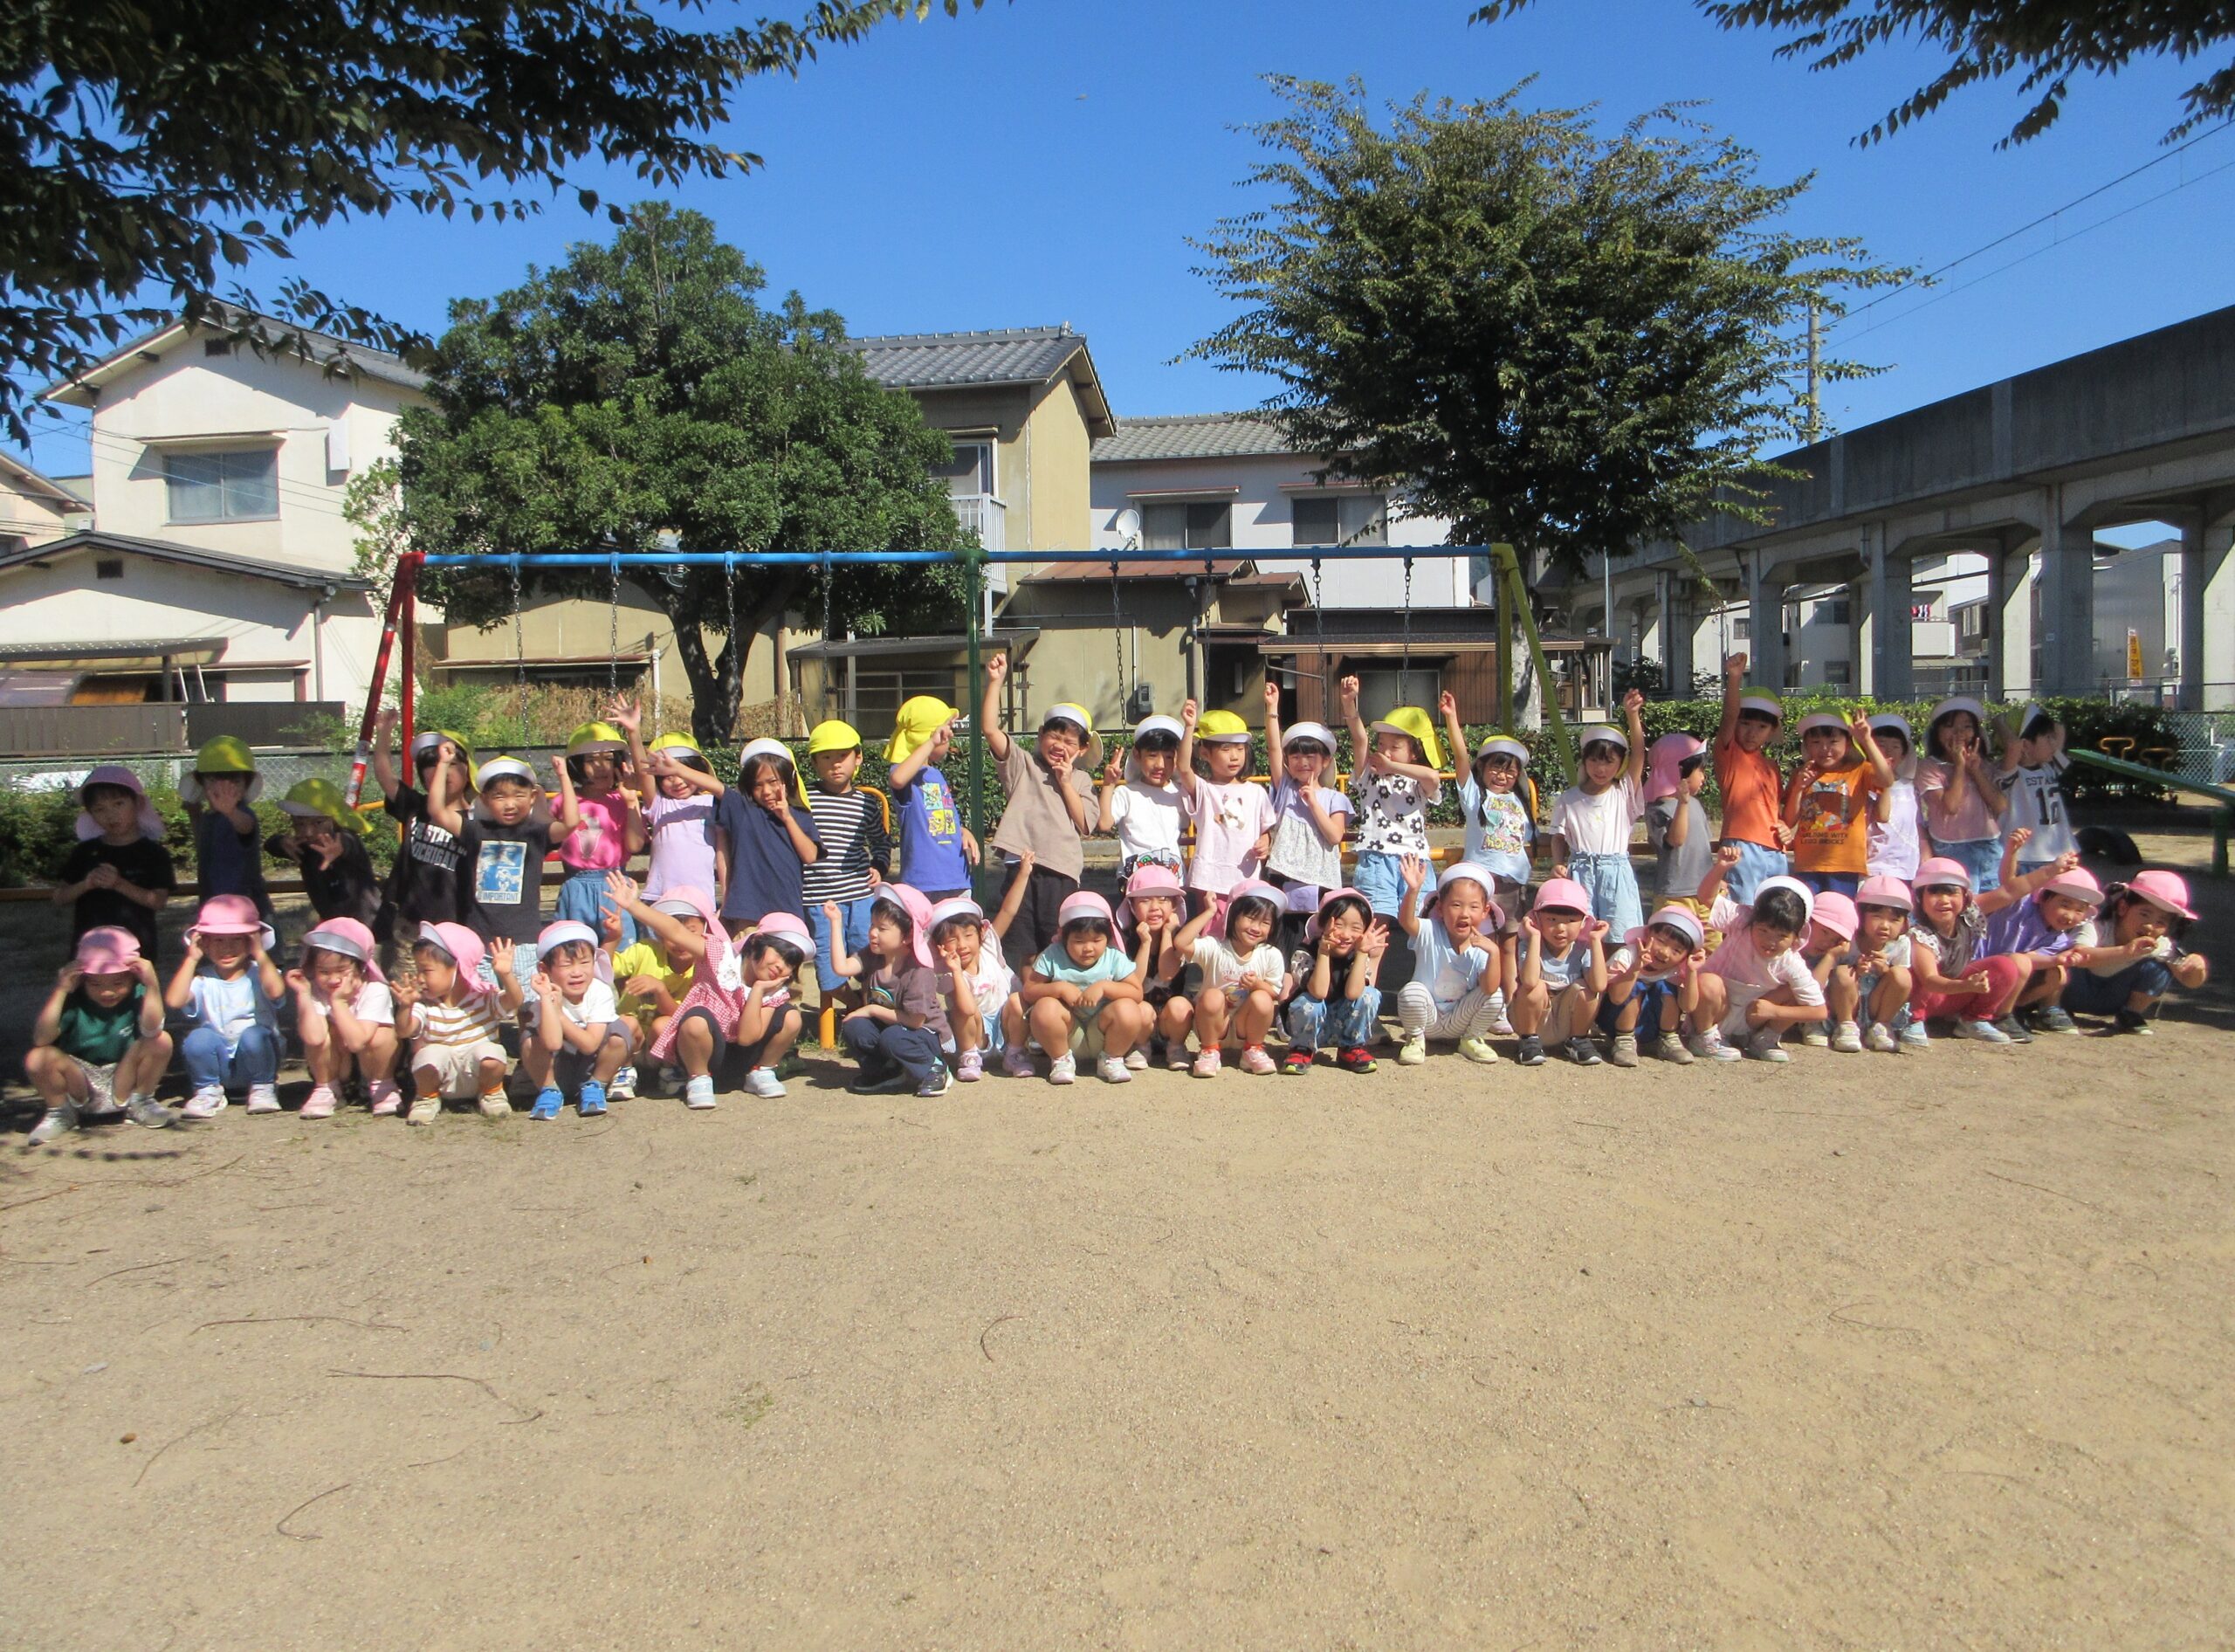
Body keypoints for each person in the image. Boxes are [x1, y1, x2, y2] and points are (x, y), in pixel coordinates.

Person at [623, 875, 809, 1105]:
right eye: (778, 954)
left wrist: (758, 991)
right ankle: (698, 1078)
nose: (781, 965)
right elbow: (676, 932)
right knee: (696, 1019)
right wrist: (633, 905)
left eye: (790, 963)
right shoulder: (720, 954)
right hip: (703, 1052)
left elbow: (747, 1038)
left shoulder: (774, 989)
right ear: (757, 942)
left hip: (740, 1059)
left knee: (791, 1016)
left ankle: (762, 1072)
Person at [980, 652, 1097, 969]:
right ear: (1041, 735)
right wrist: (995, 682)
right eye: (1054, 737)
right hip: (1020, 866)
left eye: (1069, 742)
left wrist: (1066, 782)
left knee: (1057, 944)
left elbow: (1085, 823)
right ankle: (1028, 996)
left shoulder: (1082, 780)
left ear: (1082, 749)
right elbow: (990, 730)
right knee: (1023, 946)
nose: (1059, 745)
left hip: (1060, 871)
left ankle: (1055, 995)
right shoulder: (1023, 765)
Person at [1905, 831, 2076, 1046]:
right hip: (1927, 996)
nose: (1944, 900)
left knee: (2005, 965)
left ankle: (1974, 1019)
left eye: (1952, 893)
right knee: (1915, 977)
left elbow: (2010, 892)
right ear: (1920, 898)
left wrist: (2052, 870)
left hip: (1954, 994)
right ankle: (1913, 1020)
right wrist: (1966, 985)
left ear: (1965, 897)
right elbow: (1930, 980)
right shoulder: (1920, 933)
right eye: (1935, 893)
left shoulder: (1967, 915)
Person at [443, 752, 573, 1006]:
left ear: (532, 797)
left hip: (522, 938)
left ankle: (528, 1032)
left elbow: (570, 823)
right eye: (500, 796)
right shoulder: (476, 831)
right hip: (481, 938)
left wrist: (564, 776)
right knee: (483, 1002)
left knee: (528, 1004)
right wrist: (443, 764)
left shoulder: (535, 833)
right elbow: (438, 811)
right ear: (484, 799)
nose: (510, 804)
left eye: (518, 795)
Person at [24, 927, 175, 1143]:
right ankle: (61, 1112)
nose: (107, 992)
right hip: (80, 1078)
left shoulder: (139, 993)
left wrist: (152, 985)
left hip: (123, 1075)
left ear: (133, 977)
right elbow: (41, 1039)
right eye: (95, 983)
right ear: (82, 979)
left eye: (118, 983)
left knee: (161, 1041)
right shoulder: (74, 999)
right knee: (37, 1057)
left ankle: (141, 1101)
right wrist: (61, 990)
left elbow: (152, 1030)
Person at [1339, 677, 1444, 988]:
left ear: (1414, 753)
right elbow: (1359, 737)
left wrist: (1393, 767)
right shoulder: (1368, 776)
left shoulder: (1416, 779)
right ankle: (1366, 991)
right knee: (1376, 929)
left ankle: (1431, 989)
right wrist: (1349, 704)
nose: (1384, 752)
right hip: (1377, 857)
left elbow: (1433, 777)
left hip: (1414, 861)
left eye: (1395, 747)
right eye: (1382, 744)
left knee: (1425, 926)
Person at [1690, 855, 1824, 1063]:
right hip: (1718, 1006)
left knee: (1793, 991)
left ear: (1796, 936)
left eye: (1781, 936)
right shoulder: (1741, 921)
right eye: (1763, 931)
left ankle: (1764, 1039)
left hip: (1754, 1015)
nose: (1770, 941)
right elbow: (1706, 897)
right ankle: (1705, 1037)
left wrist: (1776, 1011)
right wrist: (1721, 867)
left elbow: (1819, 1011)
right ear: (1753, 921)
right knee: (1708, 981)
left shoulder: (1791, 961)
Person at [165, 893, 286, 1118]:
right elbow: (174, 1001)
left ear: (251, 940)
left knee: (255, 1034)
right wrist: (191, 959)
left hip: (259, 1059)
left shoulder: (260, 973)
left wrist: (260, 954)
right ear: (204, 943)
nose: (226, 948)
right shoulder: (204, 980)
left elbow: (276, 991)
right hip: (220, 1064)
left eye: (236, 940)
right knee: (198, 1038)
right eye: (218, 940)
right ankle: (208, 1090)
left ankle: (263, 1088)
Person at [801, 719, 893, 1010]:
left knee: (872, 962)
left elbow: (881, 841)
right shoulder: (805, 799)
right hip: (819, 899)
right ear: (814, 763)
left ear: (858, 758)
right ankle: (859, 1008)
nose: (836, 764)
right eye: (826, 757)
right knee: (829, 973)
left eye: (843, 756)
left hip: (860, 896)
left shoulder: (866, 802)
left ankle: (872, 1011)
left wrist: (879, 865)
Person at [1982, 864, 2136, 1039]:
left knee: (2058, 975)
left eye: (2079, 910)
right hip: (1977, 971)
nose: (2070, 916)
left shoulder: (2060, 939)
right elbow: (2008, 884)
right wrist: (2012, 852)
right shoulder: (2020, 907)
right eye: (2065, 904)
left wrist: (2057, 960)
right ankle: (2001, 1017)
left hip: (2000, 978)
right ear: (2044, 898)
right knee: (2022, 962)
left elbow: (2033, 959)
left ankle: (2010, 1008)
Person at [371, 712, 478, 964]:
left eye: (451, 763)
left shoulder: (477, 820)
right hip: (412, 924)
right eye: (430, 765)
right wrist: (384, 732)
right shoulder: (416, 806)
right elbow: (384, 775)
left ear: (468, 769)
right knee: (408, 982)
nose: (441, 770)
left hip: (458, 925)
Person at [831, 883, 955, 1098]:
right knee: (855, 1026)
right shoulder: (873, 955)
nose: (873, 933)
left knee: (893, 1037)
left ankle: (934, 1068)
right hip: (894, 1029)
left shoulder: (919, 971)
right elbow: (841, 968)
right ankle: (885, 1071)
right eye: (872, 925)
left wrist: (871, 1009)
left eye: (882, 928)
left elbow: (915, 1021)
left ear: (908, 935)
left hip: (924, 1035)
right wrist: (835, 922)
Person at [502, 919, 635, 1119]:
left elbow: (590, 1045)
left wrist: (560, 1015)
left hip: (590, 1065)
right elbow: (553, 1043)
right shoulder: (544, 994)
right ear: (545, 969)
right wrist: (547, 1000)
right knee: (530, 1039)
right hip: (558, 1067)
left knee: (620, 1032)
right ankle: (549, 1090)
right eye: (566, 965)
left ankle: (595, 1085)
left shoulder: (599, 991)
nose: (577, 972)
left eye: (585, 962)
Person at [1547, 692, 1649, 942]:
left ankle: (1619, 968)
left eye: (1609, 762)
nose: (1600, 769)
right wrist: (1558, 863)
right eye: (1594, 761)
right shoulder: (1568, 799)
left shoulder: (1623, 793)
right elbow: (1558, 836)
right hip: (1580, 872)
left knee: (1621, 934)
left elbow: (1639, 754)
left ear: (1620, 763)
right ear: (1585, 760)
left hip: (1617, 873)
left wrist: (1632, 715)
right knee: (1581, 935)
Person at [2062, 870, 2209, 1035]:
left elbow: (2190, 981)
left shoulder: (2160, 944)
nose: (2150, 926)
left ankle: (2129, 1013)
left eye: (2161, 922)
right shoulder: (2097, 927)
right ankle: (2053, 1007)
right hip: (2074, 990)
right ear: (2123, 907)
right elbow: (2081, 956)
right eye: (2144, 914)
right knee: (2061, 956)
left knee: (2159, 968)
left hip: (2113, 999)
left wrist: (2198, 967)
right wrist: (2126, 951)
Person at [393, 922, 511, 1125]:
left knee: (491, 1053)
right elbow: (404, 1031)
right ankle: (426, 1098)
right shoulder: (425, 1004)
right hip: (440, 1079)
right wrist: (405, 1007)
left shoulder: (484, 996)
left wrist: (506, 976)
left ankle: (491, 1093)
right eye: (418, 970)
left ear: (458, 968)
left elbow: (513, 1002)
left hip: (478, 1076)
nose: (419, 978)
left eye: (426, 970)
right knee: (429, 1055)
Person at [1168, 879, 1288, 1077]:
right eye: (1250, 918)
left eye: (1265, 922)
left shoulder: (1270, 954)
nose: (1256, 928)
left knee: (1262, 998)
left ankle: (1253, 1049)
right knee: (1212, 996)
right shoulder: (1215, 947)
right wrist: (1210, 912)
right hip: (1214, 1024)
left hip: (1246, 1025)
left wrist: (1257, 985)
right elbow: (1181, 942)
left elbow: (1274, 993)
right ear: (1233, 916)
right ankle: (1209, 1050)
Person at [1393, 858, 1506, 1066]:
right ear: (1440, 908)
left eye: (1474, 907)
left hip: (1459, 1020)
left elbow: (1489, 988)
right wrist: (1413, 890)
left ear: (1485, 911)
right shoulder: (1430, 931)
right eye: (1456, 905)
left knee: (1496, 994)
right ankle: (1415, 1039)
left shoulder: (1482, 946)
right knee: (1412, 992)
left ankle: (1471, 1038)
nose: (1464, 914)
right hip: (1428, 1018)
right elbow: (1406, 921)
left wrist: (1495, 953)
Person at [53, 764, 174, 960]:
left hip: (136, 954)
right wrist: (86, 884)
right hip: (89, 953)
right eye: (100, 809)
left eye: (119, 804)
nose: (111, 815)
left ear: (138, 803)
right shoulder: (85, 851)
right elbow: (59, 897)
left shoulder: (154, 853)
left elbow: (158, 901)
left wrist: (118, 884)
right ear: (90, 814)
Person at [285, 917, 399, 1119]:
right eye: (324, 972)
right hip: (337, 1065)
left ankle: (383, 1085)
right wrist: (303, 994)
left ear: (361, 967)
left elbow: (357, 1042)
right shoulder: (316, 990)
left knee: (382, 1034)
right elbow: (313, 1038)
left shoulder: (375, 989)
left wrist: (339, 1002)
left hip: (367, 1064)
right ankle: (326, 1088)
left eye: (341, 971)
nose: (333, 979)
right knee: (323, 1031)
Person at [1447, 706, 1537, 958]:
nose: (1502, 776)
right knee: (1481, 942)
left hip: (1512, 884)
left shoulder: (1519, 802)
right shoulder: (1475, 797)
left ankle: (1510, 984)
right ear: (1481, 767)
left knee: (1509, 944)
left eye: (1510, 771)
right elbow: (1461, 757)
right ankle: (1483, 982)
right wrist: (1452, 717)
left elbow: (1526, 839)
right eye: (1496, 768)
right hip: (1481, 883)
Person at [1263, 683, 1353, 930]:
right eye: (1295, 757)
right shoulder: (1286, 787)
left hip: (1321, 879)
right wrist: (1272, 709)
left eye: (1310, 757)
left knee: (1318, 935)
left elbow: (1334, 836)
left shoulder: (1335, 798)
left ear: (1325, 761)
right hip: (1283, 875)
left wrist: (1313, 803)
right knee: (1284, 935)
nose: (1302, 762)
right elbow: (1273, 748)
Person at [1174, 702, 1276, 917]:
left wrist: (1265, 842)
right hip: (1210, 879)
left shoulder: (1257, 792)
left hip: (1247, 878)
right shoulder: (1204, 790)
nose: (1235, 756)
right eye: (1226, 749)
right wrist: (1189, 727)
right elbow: (1183, 768)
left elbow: (1266, 830)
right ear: (1205, 753)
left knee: (1244, 929)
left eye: (1240, 748)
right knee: (1213, 932)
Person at [554, 713, 647, 946]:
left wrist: (631, 802)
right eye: (591, 760)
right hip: (576, 885)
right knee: (576, 947)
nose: (601, 767)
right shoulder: (564, 801)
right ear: (577, 765)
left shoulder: (621, 799)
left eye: (608, 759)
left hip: (615, 882)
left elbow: (635, 845)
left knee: (622, 949)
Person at [715, 738, 823, 934]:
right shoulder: (743, 810)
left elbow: (810, 856)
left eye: (773, 782)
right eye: (757, 785)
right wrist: (677, 769)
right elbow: (715, 786)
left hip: (788, 912)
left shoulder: (801, 815)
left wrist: (787, 817)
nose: (766, 791)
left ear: (788, 779)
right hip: (748, 914)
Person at [1782, 712, 1895, 897]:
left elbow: (1886, 780)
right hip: (1808, 865)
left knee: (1841, 911)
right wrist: (1798, 788)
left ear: (1848, 743)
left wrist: (1866, 740)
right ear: (1806, 745)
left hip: (1845, 865)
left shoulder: (1860, 770)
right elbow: (1789, 820)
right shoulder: (1802, 773)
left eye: (1833, 742)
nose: (1825, 749)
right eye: (1816, 742)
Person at [927, 885, 1029, 1083]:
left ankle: (1015, 1054)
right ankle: (969, 1057)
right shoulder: (949, 975)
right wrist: (957, 971)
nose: (962, 945)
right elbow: (967, 1009)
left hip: (1006, 1025)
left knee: (1018, 1000)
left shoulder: (988, 948)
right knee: (962, 1010)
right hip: (977, 1035)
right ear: (940, 946)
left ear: (981, 934)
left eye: (968, 935)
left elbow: (1008, 911)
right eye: (952, 939)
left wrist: (1024, 872)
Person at [1282, 888, 1389, 1074]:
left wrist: (1362, 953)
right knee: (1309, 1002)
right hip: (1311, 1026)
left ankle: (1351, 1046)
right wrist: (1324, 952)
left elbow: (1354, 993)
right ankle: (1301, 1049)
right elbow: (1319, 992)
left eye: (1356, 928)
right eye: (1338, 925)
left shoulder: (1358, 955)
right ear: (1323, 925)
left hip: (1343, 1024)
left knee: (1370, 994)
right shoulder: (1305, 952)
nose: (1346, 935)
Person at [1710, 652, 1788, 903]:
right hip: (1741, 846)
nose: (1752, 733)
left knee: (1775, 914)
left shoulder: (1772, 767)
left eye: (1762, 727)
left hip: (1776, 849)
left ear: (1772, 730)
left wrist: (1788, 828)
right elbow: (1729, 716)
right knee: (1742, 912)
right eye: (1746, 724)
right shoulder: (1730, 754)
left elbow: (1777, 811)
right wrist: (1734, 678)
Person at [884, 697, 980, 900]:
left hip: (956, 878)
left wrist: (962, 831)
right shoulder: (906, 774)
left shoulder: (934, 774)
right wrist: (932, 742)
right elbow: (897, 779)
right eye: (946, 733)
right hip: (924, 882)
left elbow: (937, 818)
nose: (949, 740)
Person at [1510, 876, 1610, 1067]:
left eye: (1571, 921)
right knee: (1535, 988)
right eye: (1552, 920)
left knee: (1586, 989)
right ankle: (1528, 1040)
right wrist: (1535, 936)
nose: (1560, 928)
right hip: (1533, 1018)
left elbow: (1599, 985)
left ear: (1583, 922)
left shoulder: (1583, 947)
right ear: (1537, 919)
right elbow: (1529, 981)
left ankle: (1577, 1040)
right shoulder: (1529, 943)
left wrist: (1595, 941)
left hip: (1567, 1020)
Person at [626, 725, 726, 905]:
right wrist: (633, 732)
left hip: (699, 898)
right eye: (667, 776)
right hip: (659, 896)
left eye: (682, 772)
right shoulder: (660, 804)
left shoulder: (712, 803)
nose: (678, 781)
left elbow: (721, 790)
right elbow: (643, 773)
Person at [1915, 696, 2007, 891]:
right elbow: (1951, 806)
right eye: (1950, 726)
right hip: (1952, 847)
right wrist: (1959, 766)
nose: (1959, 733)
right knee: (1965, 903)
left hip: (1990, 845)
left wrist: (1975, 771)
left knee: (1995, 903)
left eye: (1967, 726)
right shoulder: (1929, 767)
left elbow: (2000, 806)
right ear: (1937, 732)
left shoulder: (1983, 764)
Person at [1596, 906, 1707, 1067]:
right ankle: (1625, 1041)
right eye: (1661, 941)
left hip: (1653, 1025)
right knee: (1637, 985)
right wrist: (1635, 968)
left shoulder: (1678, 969)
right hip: (1615, 1020)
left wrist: (1691, 972)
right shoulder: (1627, 956)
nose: (1665, 952)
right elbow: (1616, 998)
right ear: (1648, 934)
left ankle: (1668, 1038)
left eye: (1676, 950)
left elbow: (1688, 1006)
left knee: (1665, 985)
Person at [180, 734, 272, 919]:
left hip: (247, 910)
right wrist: (195, 816)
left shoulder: (242, 814)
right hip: (214, 905)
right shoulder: (209, 818)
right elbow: (204, 847)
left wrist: (230, 812)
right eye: (214, 780)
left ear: (246, 785)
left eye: (234, 781)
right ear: (201, 783)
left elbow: (246, 828)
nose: (224, 789)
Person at [267, 778, 380, 927]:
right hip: (334, 926)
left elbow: (349, 842)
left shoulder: (344, 839)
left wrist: (340, 848)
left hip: (370, 925)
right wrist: (281, 842)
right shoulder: (304, 848)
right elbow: (270, 845)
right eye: (299, 824)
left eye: (318, 822)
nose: (308, 832)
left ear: (334, 820)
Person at [1119, 862, 1198, 1074]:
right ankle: (1140, 1047)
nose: (1154, 907)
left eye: (1163, 899)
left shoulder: (1181, 938)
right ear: (1132, 906)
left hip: (1171, 1023)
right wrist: (1145, 943)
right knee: (1140, 1008)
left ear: (1175, 905)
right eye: (1145, 900)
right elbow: (1134, 983)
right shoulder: (1126, 940)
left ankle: (1176, 1047)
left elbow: (1167, 973)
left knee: (1181, 1005)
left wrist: (1167, 933)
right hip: (1140, 1023)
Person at [1098, 715, 1187, 883]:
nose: (1160, 765)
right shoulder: (1126, 793)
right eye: (1152, 755)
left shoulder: (1180, 793)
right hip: (1135, 881)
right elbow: (1104, 823)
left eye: (1168, 757)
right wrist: (1109, 785)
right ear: (1137, 755)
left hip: (1173, 879)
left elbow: (1188, 823)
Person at [1997, 703, 2077, 875]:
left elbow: (2060, 728)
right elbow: (2013, 745)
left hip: (2058, 853)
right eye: (2047, 738)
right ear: (2025, 745)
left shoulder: (2049, 768)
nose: (2054, 744)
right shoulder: (2011, 774)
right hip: (2024, 856)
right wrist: (1999, 722)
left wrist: (2041, 713)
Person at [1642, 732, 1711, 921]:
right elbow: (1676, 840)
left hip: (1706, 893)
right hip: (1674, 896)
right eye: (1700, 770)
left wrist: (1715, 879)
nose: (1704, 777)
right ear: (1680, 771)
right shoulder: (1658, 810)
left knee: (1712, 939)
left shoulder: (1696, 804)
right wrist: (1682, 804)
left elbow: (1703, 850)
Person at [1847, 875, 1919, 1052]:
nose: (1885, 925)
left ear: (1905, 923)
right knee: (1843, 973)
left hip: (1877, 1004)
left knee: (1902, 975)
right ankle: (1845, 1024)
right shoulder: (1850, 939)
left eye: (1894, 920)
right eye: (1877, 916)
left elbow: (1900, 982)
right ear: (1861, 916)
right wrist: (1856, 969)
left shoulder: (1901, 943)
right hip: (1851, 1001)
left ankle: (1881, 1026)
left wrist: (1885, 970)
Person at [1864, 713, 1923, 884]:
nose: (1888, 751)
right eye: (1881, 745)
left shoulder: (1910, 787)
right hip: (1874, 868)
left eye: (1895, 746)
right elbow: (1880, 816)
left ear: (1904, 753)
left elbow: (1918, 826)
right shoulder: (1862, 785)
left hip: (1907, 869)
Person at [1800, 890, 1862, 1051]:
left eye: (1836, 940)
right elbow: (1808, 990)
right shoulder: (1791, 947)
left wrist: (1831, 957)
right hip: (1793, 1003)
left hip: (1820, 1007)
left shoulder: (1837, 953)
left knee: (1845, 973)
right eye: (1824, 932)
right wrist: (1829, 957)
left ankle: (1841, 1024)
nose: (1827, 942)